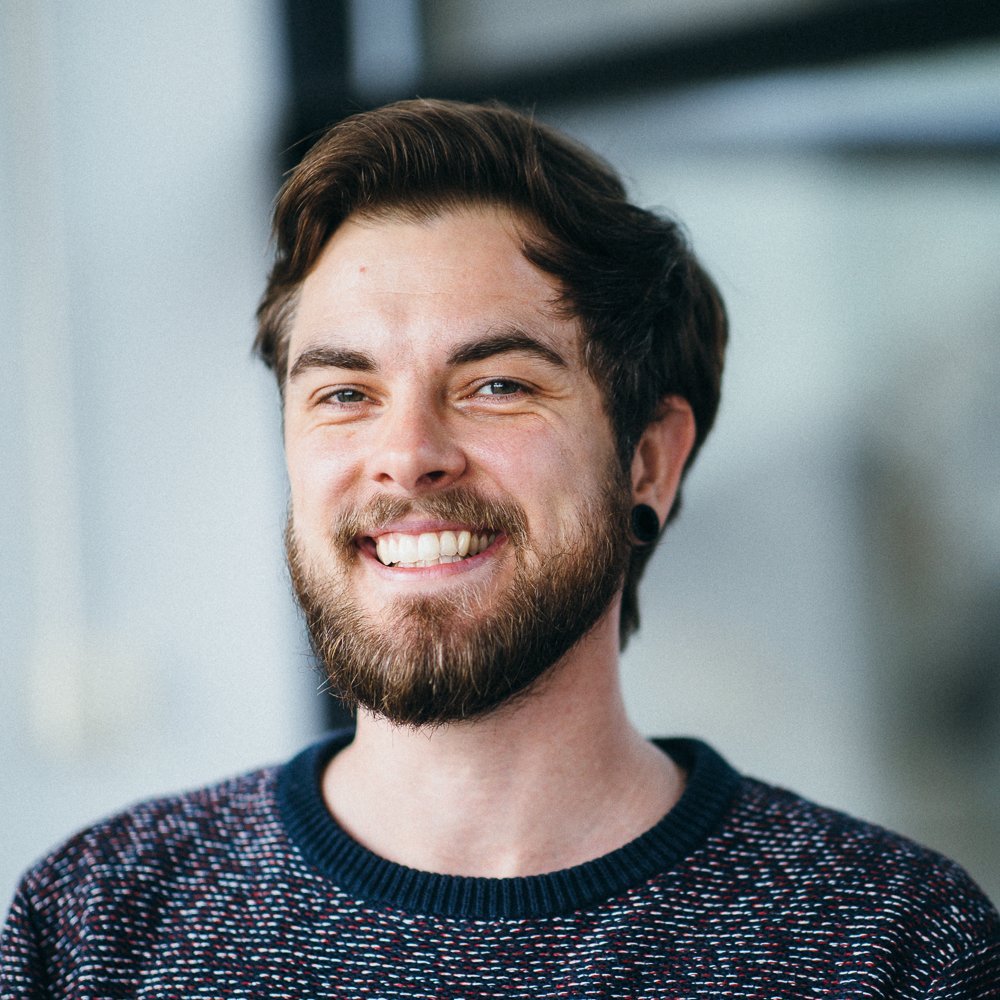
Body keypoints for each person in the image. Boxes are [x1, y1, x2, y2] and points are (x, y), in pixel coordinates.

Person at [2, 98, 998, 999]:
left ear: (647, 460)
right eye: (344, 394)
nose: (406, 457)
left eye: (496, 385)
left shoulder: (884, 944)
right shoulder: (101, 924)